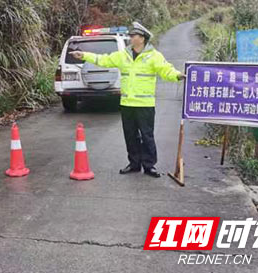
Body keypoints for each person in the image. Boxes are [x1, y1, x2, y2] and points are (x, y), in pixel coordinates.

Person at [69, 22, 185, 178]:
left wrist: (177, 75)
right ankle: (134, 164)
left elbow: (166, 70)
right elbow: (103, 60)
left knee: (147, 136)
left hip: (145, 105)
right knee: (130, 136)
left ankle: (149, 166)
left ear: (142, 38)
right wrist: (83, 55)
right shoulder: (123, 55)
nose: (130, 38)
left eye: (133, 35)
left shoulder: (154, 56)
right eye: (130, 35)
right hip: (127, 104)